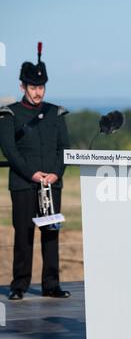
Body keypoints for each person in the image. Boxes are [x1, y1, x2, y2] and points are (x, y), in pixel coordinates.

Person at [0, 43, 70, 300]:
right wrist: (33, 174)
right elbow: (10, 150)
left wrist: (55, 174)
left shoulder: (56, 112)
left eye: (41, 87)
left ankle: (51, 285)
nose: (38, 92)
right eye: (33, 87)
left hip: (52, 183)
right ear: (22, 87)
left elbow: (64, 148)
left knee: (51, 235)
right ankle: (19, 285)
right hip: (23, 184)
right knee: (23, 235)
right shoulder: (10, 114)